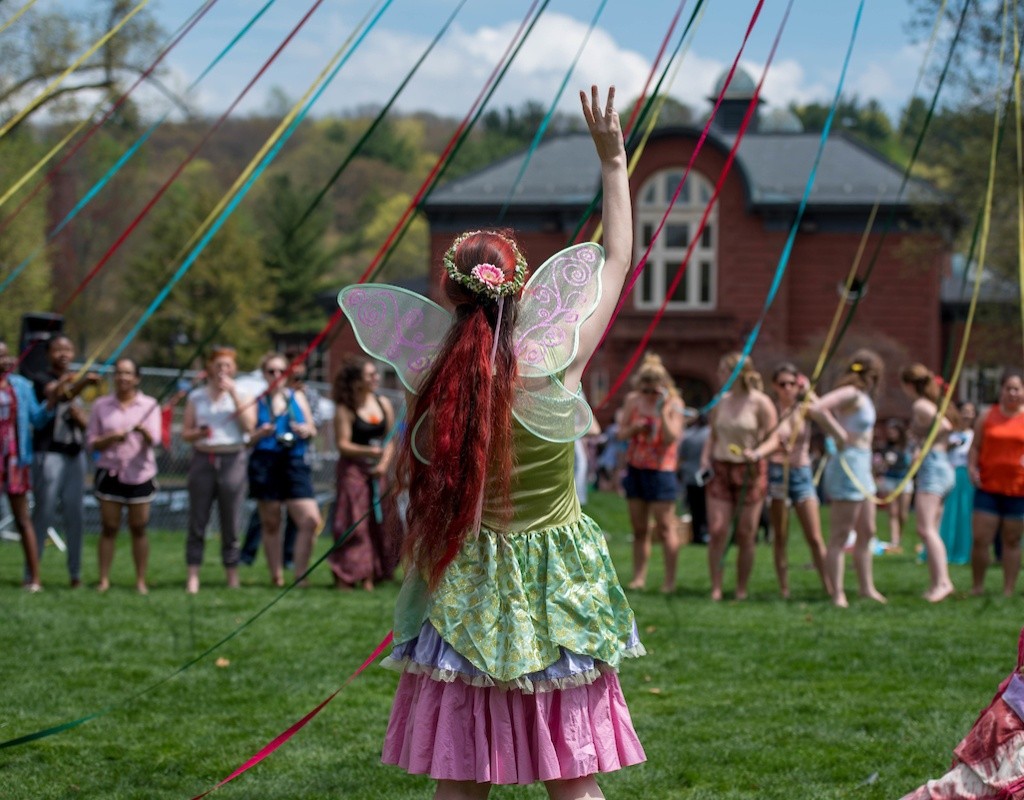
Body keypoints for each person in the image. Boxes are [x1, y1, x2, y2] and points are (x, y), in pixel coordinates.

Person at [339, 86, 644, 797]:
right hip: (557, 582)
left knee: (461, 781)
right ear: (524, 289)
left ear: (451, 298)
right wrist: (615, 164)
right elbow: (619, 259)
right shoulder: (554, 364)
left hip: (467, 580)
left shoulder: (433, 378)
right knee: (574, 781)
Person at [809, 349, 887, 607]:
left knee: (868, 530)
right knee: (841, 533)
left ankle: (867, 587)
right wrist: (839, 435)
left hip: (862, 465)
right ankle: (837, 593)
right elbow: (817, 408)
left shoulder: (863, 397)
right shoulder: (851, 393)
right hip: (848, 464)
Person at [701, 352, 778, 601]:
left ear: (736, 373)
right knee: (718, 529)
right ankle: (716, 586)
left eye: (724, 371)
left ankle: (741, 588)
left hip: (750, 471)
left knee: (746, 532)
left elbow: (774, 439)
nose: (719, 375)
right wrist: (705, 459)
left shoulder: (761, 402)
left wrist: (757, 453)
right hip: (721, 468)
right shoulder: (720, 401)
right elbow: (712, 435)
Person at [181, 346, 255, 593]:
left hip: (232, 458)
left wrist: (234, 394)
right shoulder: (197, 397)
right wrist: (199, 433)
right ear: (209, 367)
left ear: (234, 369)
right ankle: (193, 574)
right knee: (198, 519)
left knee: (231, 521)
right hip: (203, 458)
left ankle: (231, 573)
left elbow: (249, 427)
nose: (223, 370)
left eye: (227, 366)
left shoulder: (243, 394)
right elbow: (186, 433)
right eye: (218, 365)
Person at [28, 334, 99, 588]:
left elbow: (87, 423)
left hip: (75, 455)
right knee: (43, 512)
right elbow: (61, 394)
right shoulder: (41, 379)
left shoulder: (79, 384)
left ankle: (75, 574)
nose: (64, 354)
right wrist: (80, 384)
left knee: (75, 515)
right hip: (49, 453)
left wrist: (82, 416)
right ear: (48, 354)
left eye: (68, 349)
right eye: (58, 349)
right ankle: (32, 574)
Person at [86, 358, 161, 594]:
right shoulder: (101, 405)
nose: (123, 378)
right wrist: (110, 438)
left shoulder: (149, 405)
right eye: (119, 373)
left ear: (137, 378)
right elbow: (91, 442)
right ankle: (104, 579)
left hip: (140, 473)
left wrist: (143, 432)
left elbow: (156, 440)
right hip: (110, 472)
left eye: (128, 373)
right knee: (109, 527)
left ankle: (140, 580)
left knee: (139, 527)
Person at [246, 352, 321, 588]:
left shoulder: (297, 396)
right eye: (271, 371)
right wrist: (261, 432)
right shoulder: (256, 400)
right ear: (264, 374)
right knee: (271, 522)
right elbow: (248, 438)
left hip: (294, 461)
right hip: (266, 462)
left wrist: (305, 430)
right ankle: (276, 576)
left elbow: (312, 428)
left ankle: (300, 574)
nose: (277, 376)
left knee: (310, 519)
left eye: (282, 371)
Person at [328, 355, 401, 591]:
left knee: (382, 522)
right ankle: (348, 574)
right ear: (357, 381)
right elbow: (343, 444)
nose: (376, 378)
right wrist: (367, 450)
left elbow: (390, 440)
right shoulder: (345, 409)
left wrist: (383, 465)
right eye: (370, 375)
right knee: (354, 521)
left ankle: (374, 573)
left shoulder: (383, 404)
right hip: (353, 470)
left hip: (378, 470)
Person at [616, 353, 685, 593]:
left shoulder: (674, 404)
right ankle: (639, 577)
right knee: (639, 528)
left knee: (666, 528)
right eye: (644, 390)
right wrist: (634, 427)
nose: (648, 395)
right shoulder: (633, 401)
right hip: (636, 467)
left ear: (664, 388)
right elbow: (620, 434)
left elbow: (671, 438)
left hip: (662, 470)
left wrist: (663, 412)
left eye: (653, 391)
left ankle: (669, 581)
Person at [767, 363, 830, 598]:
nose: (787, 388)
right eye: (782, 384)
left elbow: (825, 414)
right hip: (777, 472)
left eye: (792, 384)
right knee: (780, 535)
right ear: (775, 386)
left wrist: (809, 391)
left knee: (814, 536)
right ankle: (784, 589)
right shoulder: (772, 411)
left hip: (802, 473)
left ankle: (829, 586)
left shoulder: (804, 408)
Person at [900, 363, 957, 602]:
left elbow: (945, 426)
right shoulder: (931, 403)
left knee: (926, 529)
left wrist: (924, 444)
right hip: (941, 465)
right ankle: (937, 583)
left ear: (909, 385)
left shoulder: (921, 405)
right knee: (931, 529)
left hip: (934, 467)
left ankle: (944, 583)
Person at [0, 340, 51, 591]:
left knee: (23, 519)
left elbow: (38, 419)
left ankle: (35, 578)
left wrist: (51, 401)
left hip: (14, 459)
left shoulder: (20, 386)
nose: (5, 361)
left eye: (6, 356)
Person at [968, 368, 1024, 597]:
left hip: (1018, 488)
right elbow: (975, 448)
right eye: (1008, 388)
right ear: (1001, 390)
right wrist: (972, 468)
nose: (1012, 393)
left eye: (1017, 389)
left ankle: (1008, 590)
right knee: (981, 538)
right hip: (988, 487)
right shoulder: (987, 416)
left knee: (1012, 539)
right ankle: (977, 587)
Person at [939, 400, 976, 565]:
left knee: (965, 513)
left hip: (966, 477)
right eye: (964, 411)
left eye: (970, 411)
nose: (967, 414)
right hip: (950, 474)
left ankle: (963, 551)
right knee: (948, 513)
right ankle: (944, 550)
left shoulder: (974, 435)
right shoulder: (950, 433)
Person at [876, 418, 913, 552]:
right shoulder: (885, 448)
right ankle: (894, 540)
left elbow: (913, 461)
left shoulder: (907, 446)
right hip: (890, 479)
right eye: (889, 431)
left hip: (904, 479)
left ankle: (900, 536)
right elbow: (880, 467)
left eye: (894, 430)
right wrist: (884, 464)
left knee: (903, 514)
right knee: (893, 512)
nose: (891, 433)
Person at [679, 412, 710, 544]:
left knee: (694, 508)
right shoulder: (710, 433)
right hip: (707, 476)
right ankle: (706, 534)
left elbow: (682, 456)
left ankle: (696, 535)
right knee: (706, 508)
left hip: (690, 475)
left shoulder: (688, 435)